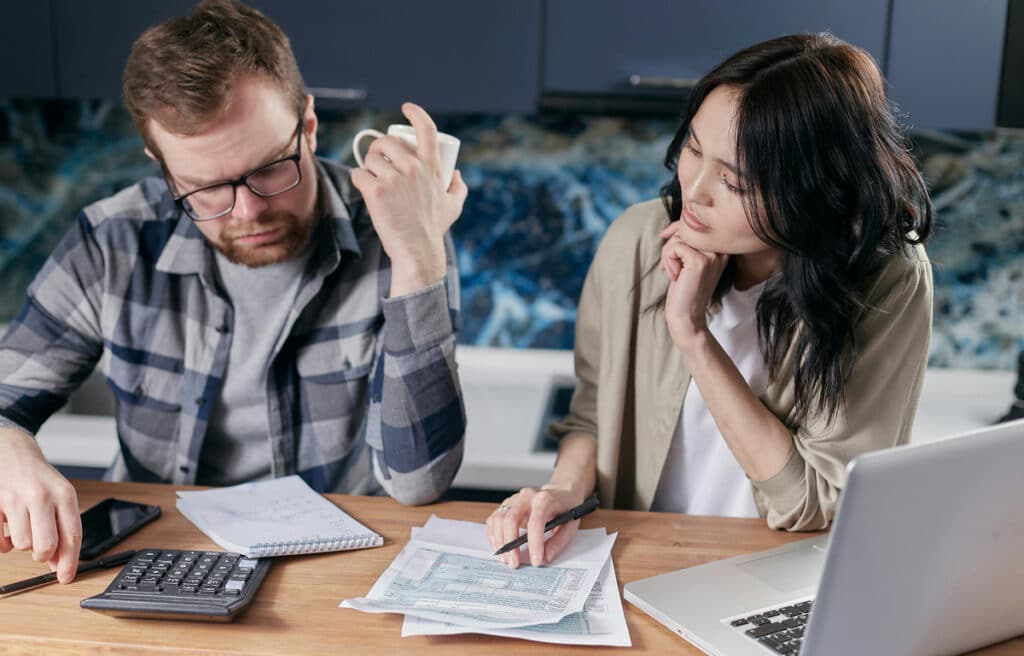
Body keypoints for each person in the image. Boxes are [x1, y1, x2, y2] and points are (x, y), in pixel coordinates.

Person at [0, 0, 467, 582]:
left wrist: (419, 258)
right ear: (162, 166)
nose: (249, 211)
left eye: (271, 167)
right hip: (159, 562)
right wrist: (8, 446)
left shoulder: (400, 231)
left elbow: (420, 482)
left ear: (310, 125)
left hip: (332, 573)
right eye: (203, 188)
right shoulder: (111, 241)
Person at [488, 33, 934, 568]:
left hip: (776, 580)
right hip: (640, 566)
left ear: (811, 191)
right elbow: (592, 416)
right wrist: (562, 492)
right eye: (694, 149)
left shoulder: (886, 282)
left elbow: (812, 502)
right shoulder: (637, 240)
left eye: (734, 181)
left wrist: (692, 333)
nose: (694, 190)